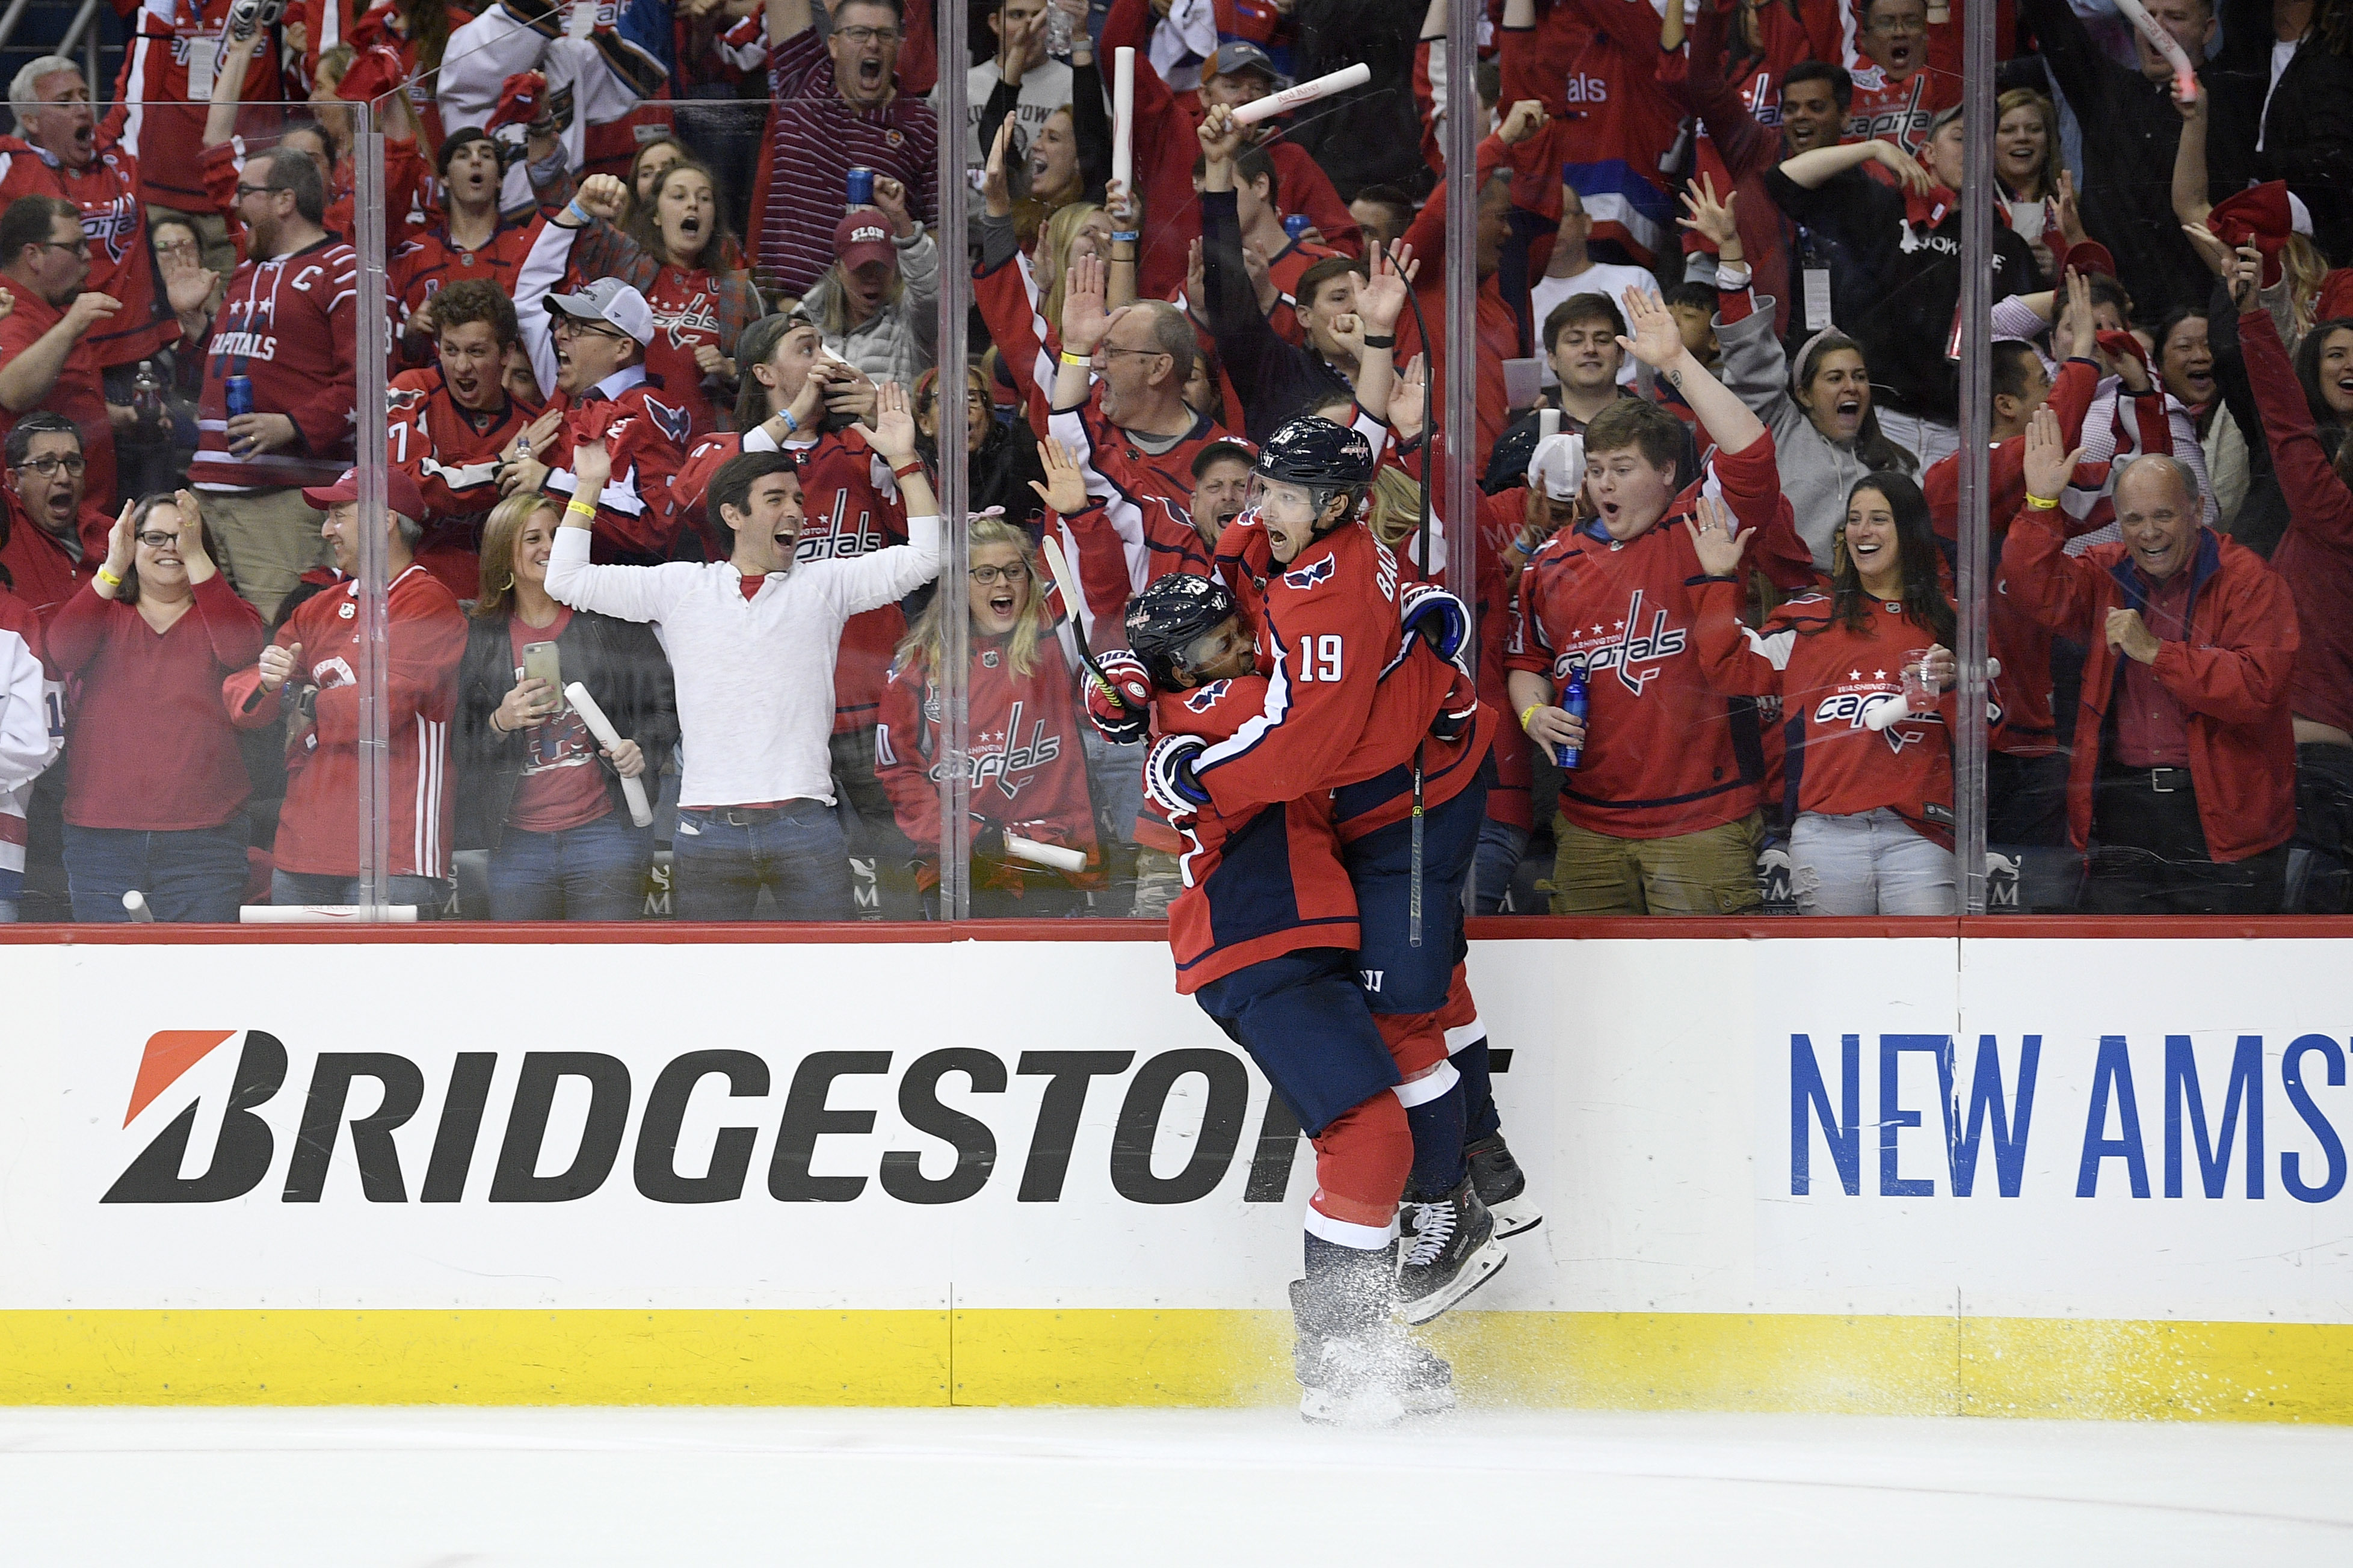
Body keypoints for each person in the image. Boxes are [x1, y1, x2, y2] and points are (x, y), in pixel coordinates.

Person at [1119, 570, 1465, 1425]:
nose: (1235, 644)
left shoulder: (1211, 701)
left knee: (1391, 1119)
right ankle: (1339, 1348)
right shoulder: (1224, 711)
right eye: (1210, 644)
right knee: (1368, 1132)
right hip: (1257, 941)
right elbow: (1327, 701)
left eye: (1234, 626)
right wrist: (1403, 647)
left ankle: (1356, 1337)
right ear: (1175, 666)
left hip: (1296, 939)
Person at [544, 386, 943, 921]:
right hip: (706, 829)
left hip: (806, 822)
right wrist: (589, 485)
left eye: (798, 499)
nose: (795, 511)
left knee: (829, 981)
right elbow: (566, 579)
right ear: (732, 514)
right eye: (776, 499)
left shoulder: (825, 584)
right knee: (707, 992)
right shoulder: (682, 587)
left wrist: (903, 461)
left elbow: (927, 556)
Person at [1506, 287, 1814, 915]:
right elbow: (1525, 663)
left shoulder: (1701, 527)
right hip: (1588, 827)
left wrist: (1676, 361)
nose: (1603, 484)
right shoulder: (1550, 562)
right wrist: (1533, 718)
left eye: (1622, 468)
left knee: (1707, 1002)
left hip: (1700, 823)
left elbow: (1751, 450)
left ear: (1669, 474)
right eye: (1595, 469)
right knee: (1591, 1006)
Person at [2006, 411, 2300, 914]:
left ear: (2197, 510)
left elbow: (2258, 687)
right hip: (2124, 810)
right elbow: (2032, 589)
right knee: (2123, 978)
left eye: (2162, 516)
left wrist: (2157, 654)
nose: (2147, 533)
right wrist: (2040, 504)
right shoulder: (2107, 572)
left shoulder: (2250, 580)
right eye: (2133, 520)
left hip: (2224, 818)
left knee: (2228, 979)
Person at [1688, 478, 1964, 914]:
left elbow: (1992, 727)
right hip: (1826, 836)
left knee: (1921, 977)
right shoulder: (1807, 620)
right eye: (1853, 520)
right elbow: (1726, 666)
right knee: (1832, 977)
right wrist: (1719, 579)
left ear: (1910, 531)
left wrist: (1951, 688)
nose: (1861, 531)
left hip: (1922, 834)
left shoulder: (1952, 620)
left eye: (1878, 519)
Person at [223, 466, 467, 912]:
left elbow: (382, 708)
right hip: (302, 846)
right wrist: (270, 681)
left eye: (338, 514)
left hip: (393, 850)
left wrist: (304, 699)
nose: (326, 529)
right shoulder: (319, 607)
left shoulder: (428, 601)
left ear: (385, 519)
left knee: (384, 984)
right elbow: (244, 702)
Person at [1768, 108, 2040, 467]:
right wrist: (1873, 148)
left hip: (1961, 430)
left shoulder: (2008, 245)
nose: (1973, 150)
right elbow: (1783, 181)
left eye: (1984, 142)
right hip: (1877, 419)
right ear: (1928, 152)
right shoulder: (1883, 207)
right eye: (1960, 138)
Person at [456, 492, 678, 922]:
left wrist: (640, 748)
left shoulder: (609, 617)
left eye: (557, 536)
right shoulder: (478, 633)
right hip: (517, 840)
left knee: (608, 972)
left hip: (607, 831)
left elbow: (665, 705)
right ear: (504, 552)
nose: (548, 547)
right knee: (524, 976)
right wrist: (501, 720)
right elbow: (459, 743)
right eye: (532, 538)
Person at [46, 489, 264, 921]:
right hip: (100, 838)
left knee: (196, 981)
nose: (170, 547)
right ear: (132, 543)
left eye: (182, 536)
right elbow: (63, 650)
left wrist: (195, 553)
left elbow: (241, 650)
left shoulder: (230, 616)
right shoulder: (103, 612)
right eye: (154, 538)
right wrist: (113, 566)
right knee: (105, 980)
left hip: (205, 839)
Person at [875, 513, 1101, 917]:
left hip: (1051, 855)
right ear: (958, 585)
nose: (1002, 584)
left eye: (1014, 571)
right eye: (985, 573)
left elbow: (1099, 587)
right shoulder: (917, 663)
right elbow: (898, 772)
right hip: (958, 864)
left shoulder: (1055, 635)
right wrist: (967, 836)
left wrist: (1077, 514)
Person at [1689, 176, 1917, 568]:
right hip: (1793, 602)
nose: (1852, 386)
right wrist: (1730, 250)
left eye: (1859, 376)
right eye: (1834, 378)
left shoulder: (1896, 465)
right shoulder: (1778, 431)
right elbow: (1750, 358)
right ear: (1803, 394)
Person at [181, 147, 356, 622]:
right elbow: (225, 369)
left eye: (246, 193)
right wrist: (193, 323)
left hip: (280, 499)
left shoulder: (346, 270)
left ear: (285, 200)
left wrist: (293, 426)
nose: (236, 206)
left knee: (275, 639)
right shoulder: (246, 271)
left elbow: (367, 385)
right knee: (210, 639)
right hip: (209, 491)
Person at [719, 0, 940, 297]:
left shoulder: (923, 125)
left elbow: (940, 243)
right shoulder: (805, 77)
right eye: (860, 33)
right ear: (834, 45)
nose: (873, 44)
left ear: (900, 46)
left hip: (875, 317)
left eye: (886, 35)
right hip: (787, 309)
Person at [529, 167, 766, 441]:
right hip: (623, 436)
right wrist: (585, 196)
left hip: (709, 449)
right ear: (655, 215)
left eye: (704, 198)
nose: (693, 204)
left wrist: (731, 370)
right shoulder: (627, 263)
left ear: (714, 220)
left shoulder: (738, 292)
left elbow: (768, 379)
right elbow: (557, 197)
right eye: (679, 196)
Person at [2017, 0, 2221, 317]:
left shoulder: (2230, 95)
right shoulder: (2105, 92)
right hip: (2118, 317)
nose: (2158, 29)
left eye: (2176, 17)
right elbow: (2052, 20)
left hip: (2200, 321)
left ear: (2208, 30)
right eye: (2147, 17)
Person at [0, 57, 178, 379]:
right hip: (58, 353)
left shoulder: (120, 148)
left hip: (138, 350)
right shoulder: (9, 166)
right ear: (32, 121)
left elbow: (146, 70)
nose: (83, 108)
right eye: (64, 102)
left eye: (85, 96)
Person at [508, 272, 691, 567]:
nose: (561, 335)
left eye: (579, 328)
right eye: (564, 324)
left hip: (613, 596)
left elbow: (650, 523)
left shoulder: (646, 409)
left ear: (622, 348)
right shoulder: (573, 396)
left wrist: (547, 482)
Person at [391, 280, 550, 599]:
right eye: (450, 350)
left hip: (495, 601)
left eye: (476, 352)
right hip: (410, 593)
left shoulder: (533, 427)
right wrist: (500, 466)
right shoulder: (411, 391)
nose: (462, 367)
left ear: (507, 352)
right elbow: (407, 491)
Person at [0, 195, 119, 510]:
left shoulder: (50, 308)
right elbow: (12, 392)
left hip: (83, 509)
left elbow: (60, 397)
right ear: (33, 255)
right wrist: (71, 326)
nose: (88, 258)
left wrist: (118, 417)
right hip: (45, 520)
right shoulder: (8, 311)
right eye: (75, 247)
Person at [802, 192, 942, 400]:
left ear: (896, 266)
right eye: (860, 268)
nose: (871, 278)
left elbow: (930, 291)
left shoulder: (913, 322)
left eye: (880, 266)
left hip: (894, 432)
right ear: (838, 269)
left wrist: (900, 220)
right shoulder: (807, 324)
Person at [1526, 182, 1658, 381]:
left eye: (1560, 215)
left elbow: (1658, 360)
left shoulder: (1635, 281)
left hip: (1630, 405)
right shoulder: (1518, 295)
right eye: (1540, 218)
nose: (1550, 227)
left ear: (1587, 223)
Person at [0, 414, 106, 626]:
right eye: (45, 464)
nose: (64, 477)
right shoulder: (5, 525)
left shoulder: (110, 534)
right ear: (14, 480)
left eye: (73, 463)